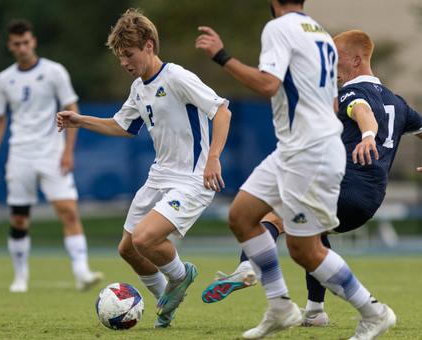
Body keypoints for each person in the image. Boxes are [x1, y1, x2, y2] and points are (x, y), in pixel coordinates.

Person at [195, 1, 395, 339]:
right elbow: (332, 100)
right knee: (242, 216)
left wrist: (222, 56)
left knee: (305, 249)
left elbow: (267, 85)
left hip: (311, 151)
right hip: (295, 148)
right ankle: (281, 306)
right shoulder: (317, 32)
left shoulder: (279, 28)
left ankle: (374, 312)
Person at [57, 8, 232, 328]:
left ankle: (182, 276)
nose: (124, 62)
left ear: (149, 46)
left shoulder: (177, 77)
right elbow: (122, 126)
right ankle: (165, 304)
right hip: (159, 176)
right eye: (120, 56)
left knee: (145, 238)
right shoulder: (139, 87)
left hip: (192, 179)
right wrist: (80, 121)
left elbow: (222, 111)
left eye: (129, 54)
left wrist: (213, 157)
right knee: (128, 248)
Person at [0, 19, 102, 293]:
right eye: (17, 44)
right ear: (10, 46)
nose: (23, 47)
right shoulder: (4, 79)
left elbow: (71, 109)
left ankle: (82, 272)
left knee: (68, 211)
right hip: (20, 155)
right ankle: (20, 276)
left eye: (26, 42)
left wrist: (68, 151)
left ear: (33, 41)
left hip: (52, 153)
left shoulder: (54, 72)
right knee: (18, 218)